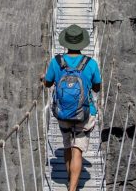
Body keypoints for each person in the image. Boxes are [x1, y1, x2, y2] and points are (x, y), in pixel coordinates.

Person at [42, 25, 102, 191]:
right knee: (77, 151)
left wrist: (46, 78)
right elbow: (97, 88)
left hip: (62, 113)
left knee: (67, 146)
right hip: (85, 112)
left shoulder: (56, 62)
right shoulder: (91, 64)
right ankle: (73, 188)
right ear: (82, 44)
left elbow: (47, 83)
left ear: (65, 43)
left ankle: (70, 181)